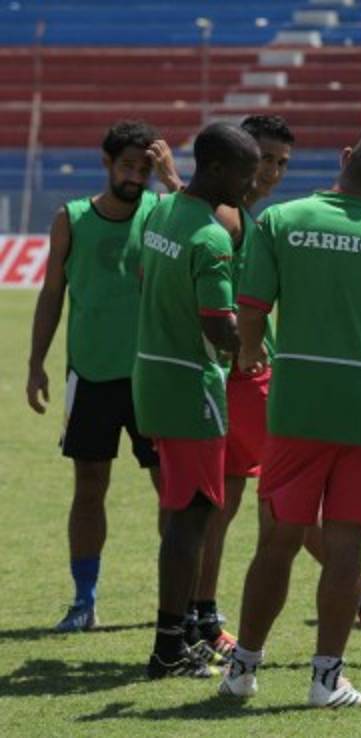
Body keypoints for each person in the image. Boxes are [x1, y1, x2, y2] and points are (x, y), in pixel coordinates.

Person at [191, 115, 361, 661]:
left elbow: (250, 309)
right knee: (339, 541)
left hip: (290, 401)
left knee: (271, 532)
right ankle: (326, 671)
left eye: (279, 163)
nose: (270, 173)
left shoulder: (281, 220)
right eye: (264, 162)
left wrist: (249, 353)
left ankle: (239, 658)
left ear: (345, 158)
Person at [25, 119, 182, 632]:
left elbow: (212, 226)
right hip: (89, 375)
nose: (136, 176)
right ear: (107, 163)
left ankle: (178, 603)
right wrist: (36, 363)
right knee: (89, 486)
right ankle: (84, 599)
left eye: (145, 167)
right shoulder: (71, 218)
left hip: (154, 377)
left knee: (173, 490)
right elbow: (51, 295)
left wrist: (172, 179)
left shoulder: (164, 213)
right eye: (128, 166)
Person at [135, 122, 260, 678]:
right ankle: (170, 647)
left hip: (152, 373)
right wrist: (250, 350)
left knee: (182, 510)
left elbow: (146, 273)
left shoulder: (161, 211)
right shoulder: (210, 237)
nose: (251, 183)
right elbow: (218, 325)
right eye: (245, 172)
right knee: (195, 516)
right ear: (215, 170)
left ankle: (175, 636)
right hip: (191, 383)